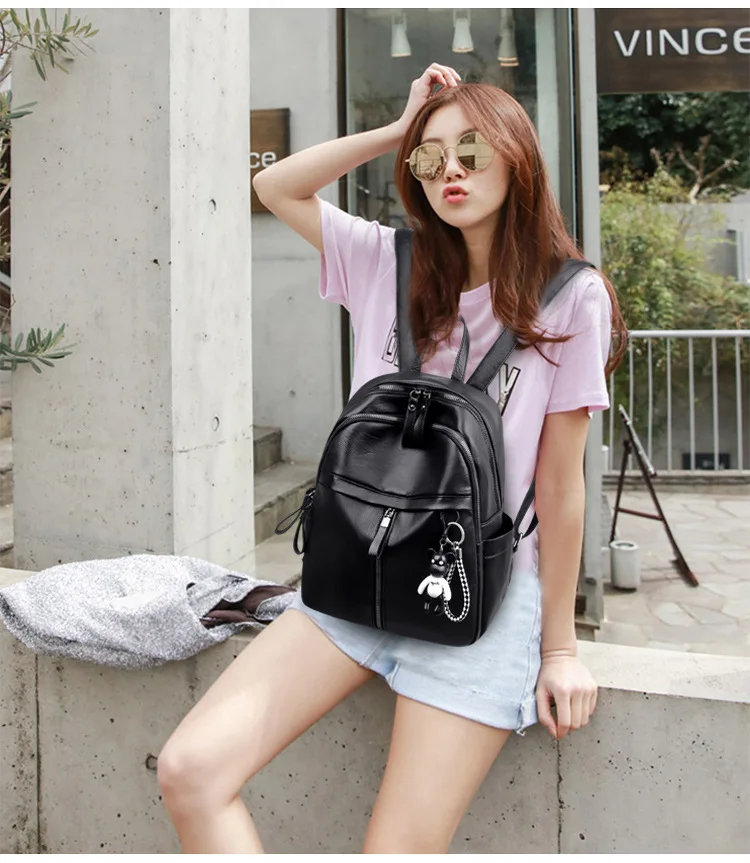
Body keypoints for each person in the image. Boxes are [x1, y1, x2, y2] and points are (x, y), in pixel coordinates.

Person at [157, 62, 627, 854]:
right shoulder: (386, 260)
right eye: (430, 157)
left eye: (472, 151)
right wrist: (396, 129)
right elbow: (275, 187)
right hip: (357, 573)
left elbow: (560, 485)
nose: (450, 171)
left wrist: (559, 648)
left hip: (480, 598)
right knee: (190, 768)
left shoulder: (571, 297)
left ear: (517, 156)